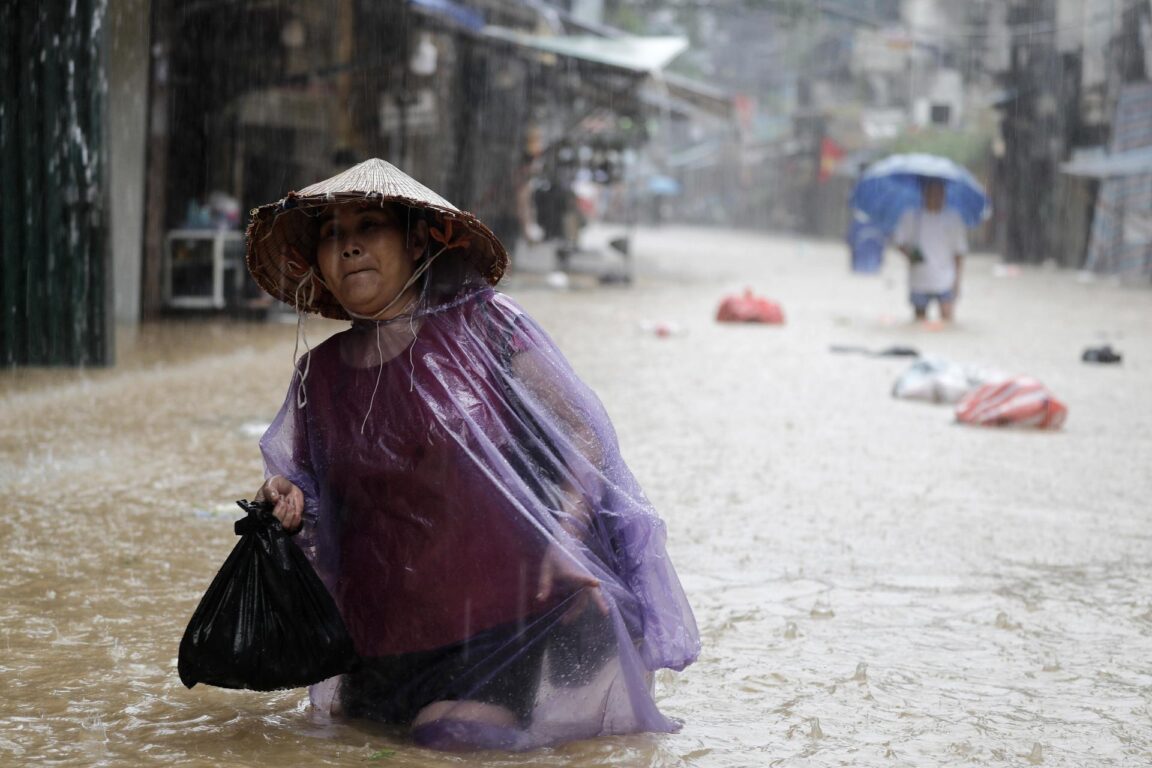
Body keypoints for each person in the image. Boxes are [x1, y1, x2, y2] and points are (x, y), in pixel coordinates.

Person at [243, 158, 699, 752]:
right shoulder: (319, 373)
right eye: (332, 234)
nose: (349, 246)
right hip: (374, 645)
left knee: (454, 742)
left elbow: (582, 435)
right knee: (363, 748)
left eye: (368, 226)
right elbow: (315, 495)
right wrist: (288, 498)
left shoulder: (491, 327)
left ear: (415, 243)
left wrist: (565, 528)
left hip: (494, 631)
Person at [892, 177, 968, 322]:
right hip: (919, 279)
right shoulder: (912, 217)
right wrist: (910, 255)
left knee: (947, 321)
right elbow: (899, 242)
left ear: (944, 195)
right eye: (932, 192)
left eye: (939, 193)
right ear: (924, 194)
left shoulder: (953, 219)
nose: (936, 197)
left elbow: (959, 252)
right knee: (919, 323)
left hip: (946, 279)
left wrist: (957, 282)